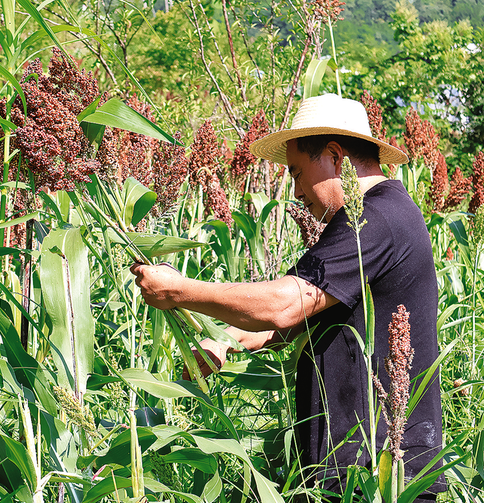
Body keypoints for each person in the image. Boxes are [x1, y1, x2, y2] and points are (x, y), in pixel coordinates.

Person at [130, 94, 445, 500]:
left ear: (334, 156)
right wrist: (228, 341)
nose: (296, 191)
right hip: (355, 465)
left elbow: (284, 304)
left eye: (297, 173)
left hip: (380, 471)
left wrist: (178, 290)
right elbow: (301, 314)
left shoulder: (376, 217)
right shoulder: (367, 217)